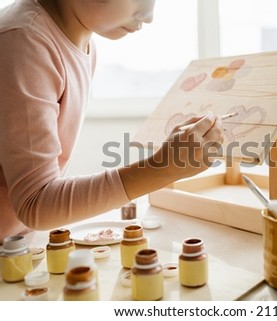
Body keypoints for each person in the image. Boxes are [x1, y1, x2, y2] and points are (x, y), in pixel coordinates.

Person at [0, 0, 224, 243]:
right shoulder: (26, 40)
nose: (148, 16)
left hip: (16, 239)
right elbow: (36, 202)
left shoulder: (83, 44)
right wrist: (162, 168)